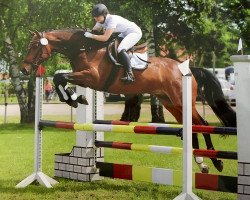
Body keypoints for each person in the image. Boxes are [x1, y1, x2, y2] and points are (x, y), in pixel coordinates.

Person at [84, 3, 142, 84]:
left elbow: (105, 38)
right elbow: (94, 31)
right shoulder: (100, 21)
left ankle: (130, 74)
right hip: (124, 32)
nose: (95, 18)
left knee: (120, 49)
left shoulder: (112, 20)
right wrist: (86, 33)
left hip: (134, 32)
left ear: (104, 15)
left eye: (97, 16)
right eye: (94, 17)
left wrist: (91, 36)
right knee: (111, 45)